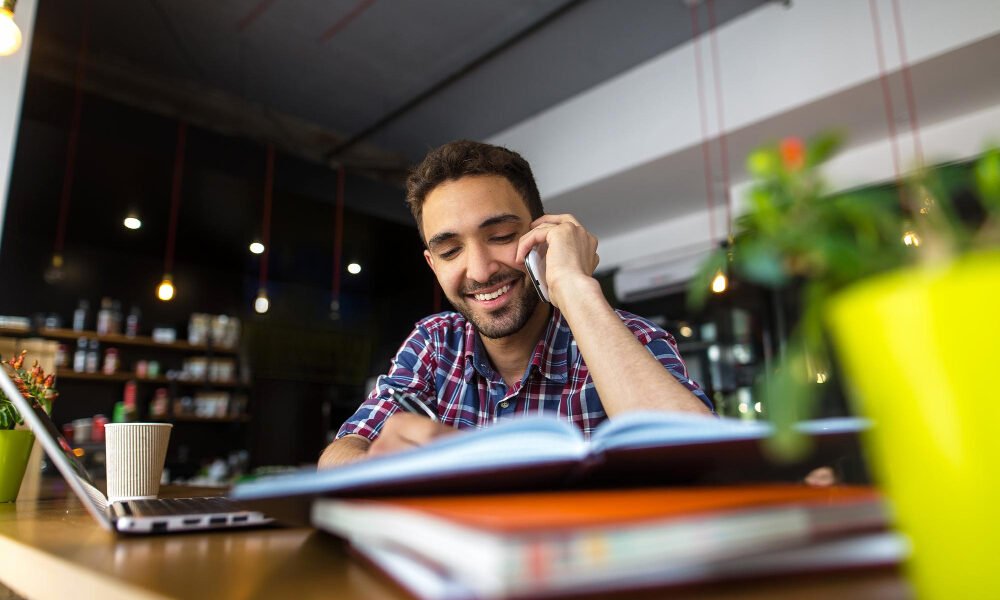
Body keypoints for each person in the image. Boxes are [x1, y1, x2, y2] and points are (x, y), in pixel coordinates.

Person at [319, 140, 713, 468]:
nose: (479, 270)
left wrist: (573, 284)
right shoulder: (436, 342)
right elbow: (342, 452)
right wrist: (384, 465)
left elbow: (700, 458)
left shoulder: (631, 338)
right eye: (451, 250)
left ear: (543, 235)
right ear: (433, 264)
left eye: (502, 235)